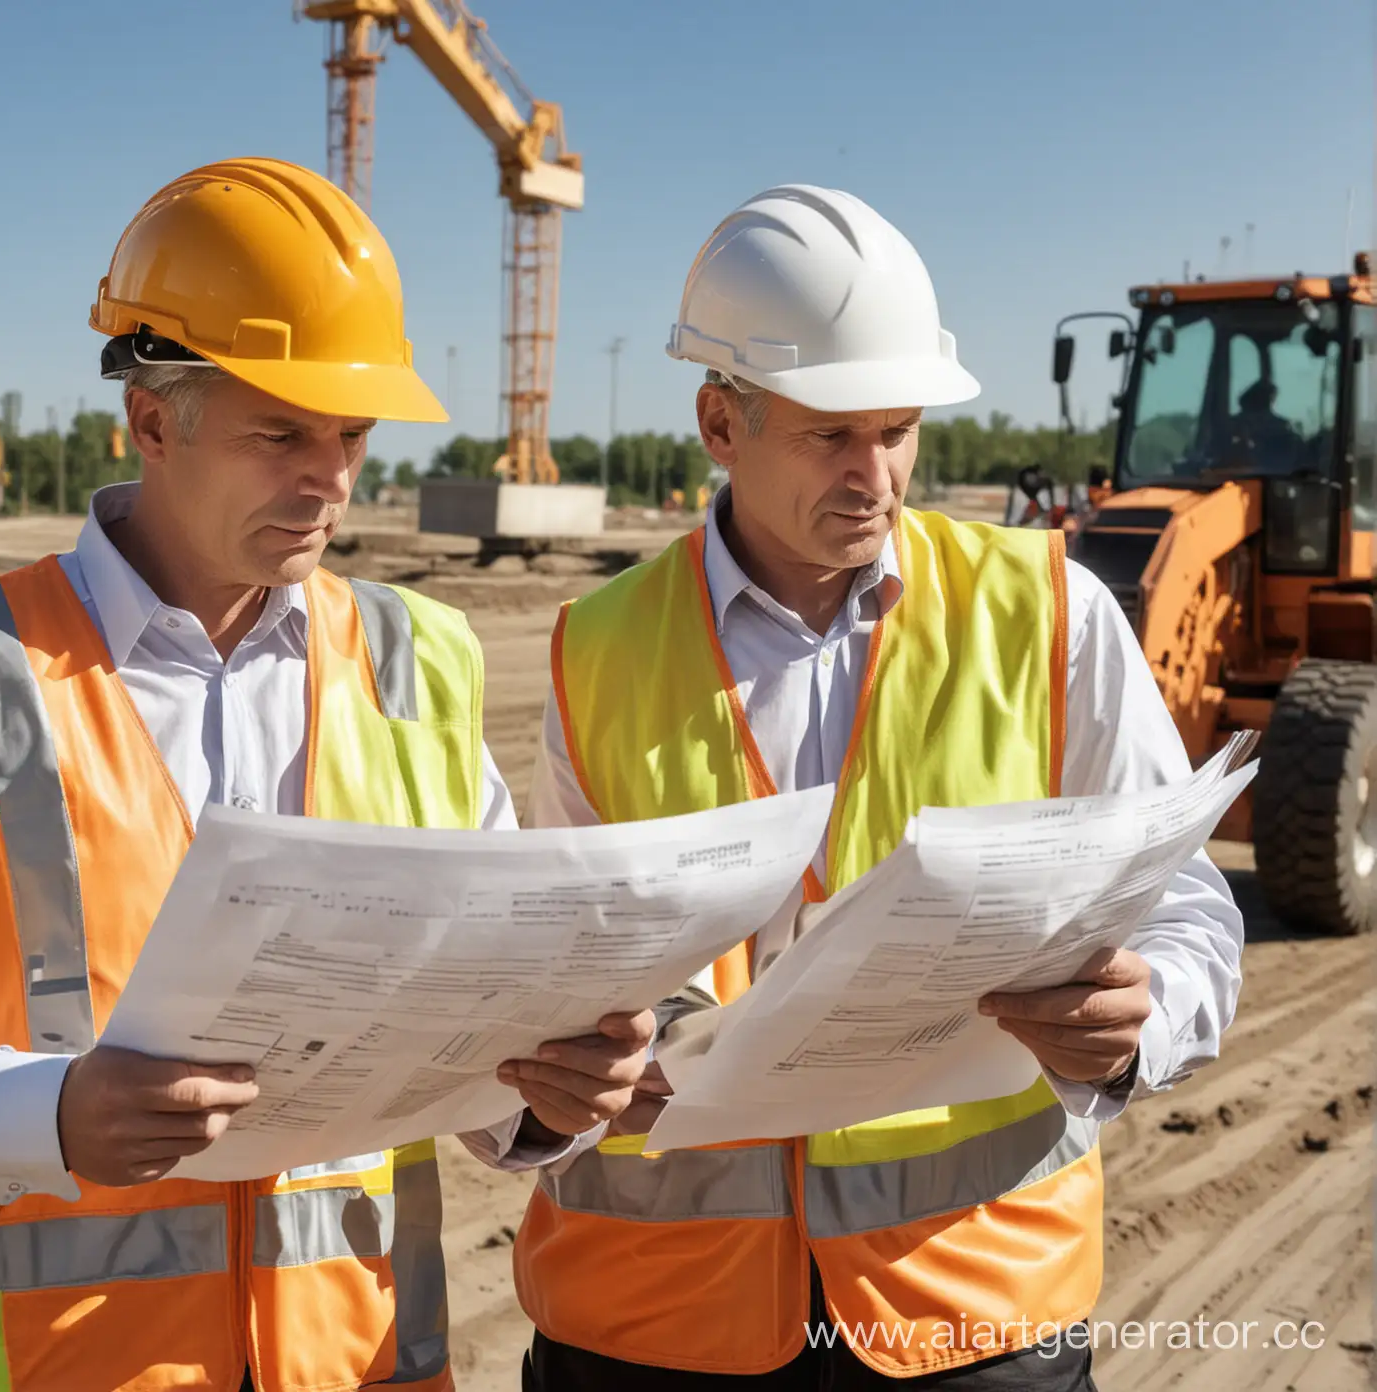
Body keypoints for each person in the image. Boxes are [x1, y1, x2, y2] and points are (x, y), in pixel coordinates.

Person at [0, 157, 649, 1392]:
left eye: (352, 435)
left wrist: (551, 1088)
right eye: (282, 433)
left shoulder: (412, 663)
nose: (330, 479)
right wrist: (44, 1115)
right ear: (154, 420)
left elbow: (479, 1018)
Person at [501, 185, 1243, 1390]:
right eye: (831, 434)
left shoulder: (1051, 616)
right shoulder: (598, 645)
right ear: (719, 424)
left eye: (898, 430)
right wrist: (566, 1081)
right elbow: (555, 967)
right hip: (648, 1326)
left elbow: (1188, 902)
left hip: (970, 1313)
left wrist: (1144, 1021)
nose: (876, 473)